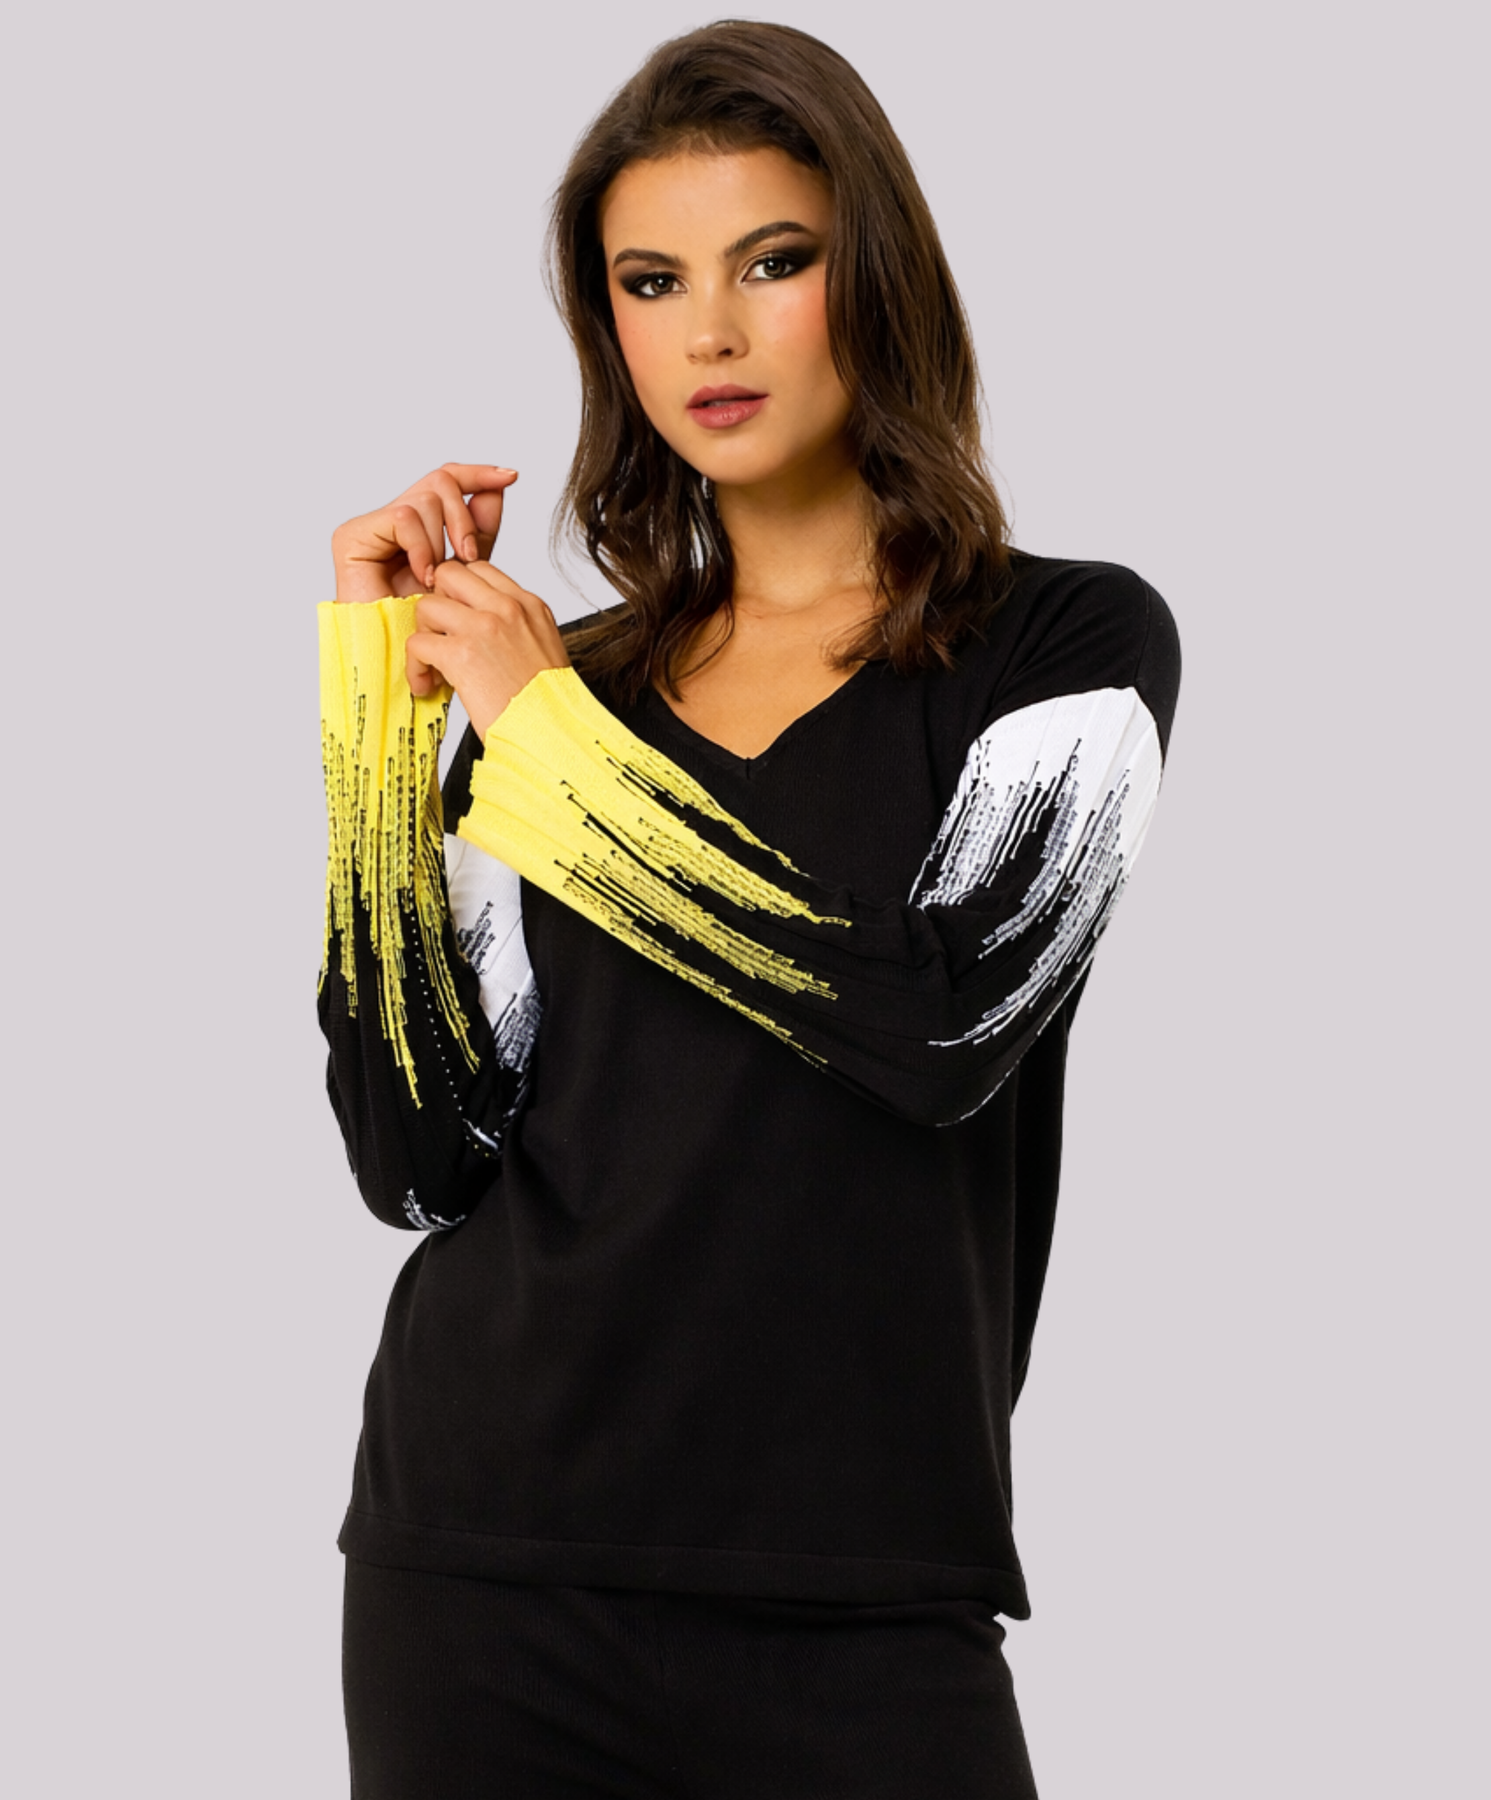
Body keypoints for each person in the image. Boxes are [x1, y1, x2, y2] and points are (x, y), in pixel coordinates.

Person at [317, 20, 1180, 1797]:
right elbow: (414, 1158)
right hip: (483, 1569)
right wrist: (379, 733)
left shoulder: (1065, 644)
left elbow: (940, 1029)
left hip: (866, 1593)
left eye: (771, 262)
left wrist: (549, 749)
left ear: (878, 279)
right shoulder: (561, 691)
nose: (707, 332)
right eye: (651, 282)